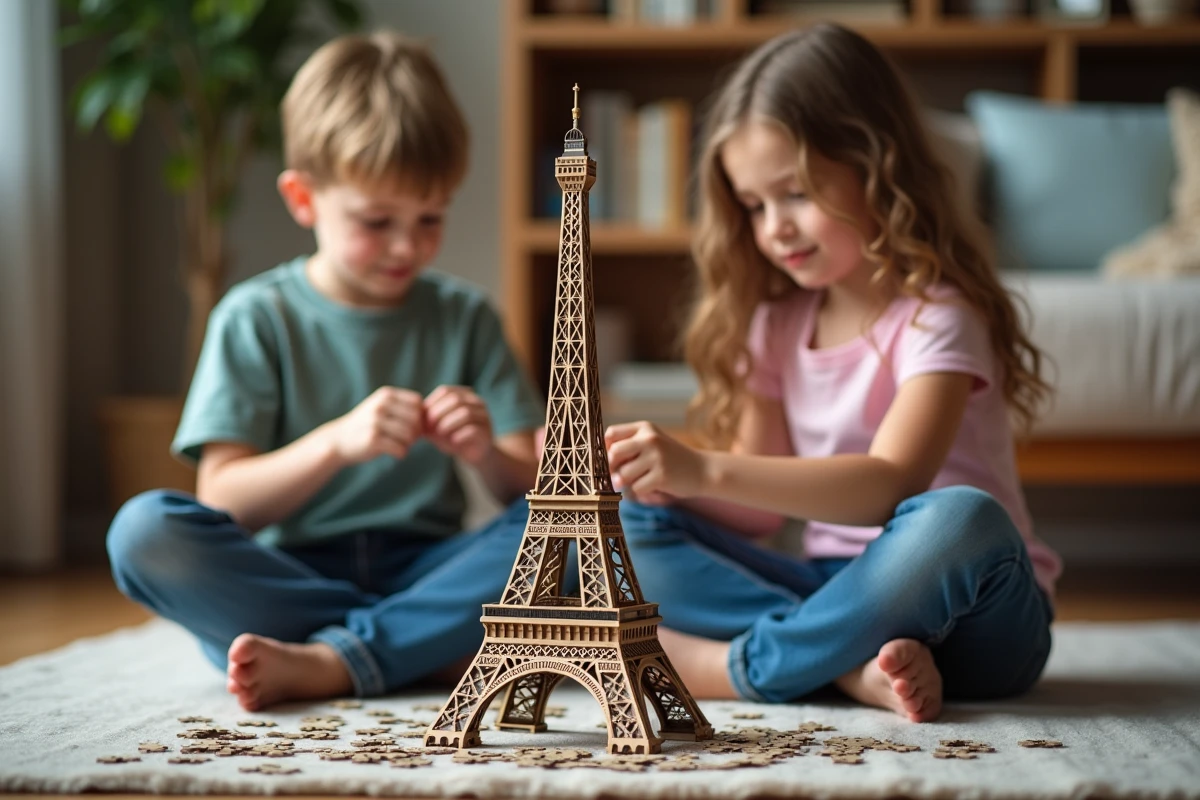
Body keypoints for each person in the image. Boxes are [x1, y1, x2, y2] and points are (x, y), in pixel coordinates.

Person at [605, 23, 1062, 722]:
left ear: (875, 162)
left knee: (963, 518)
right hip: (837, 591)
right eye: (754, 206)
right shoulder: (776, 321)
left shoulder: (938, 316)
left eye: (794, 193)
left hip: (974, 610)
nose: (773, 228)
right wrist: (658, 477)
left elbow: (889, 485)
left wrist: (704, 469)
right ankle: (845, 665)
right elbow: (758, 511)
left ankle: (753, 664)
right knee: (625, 523)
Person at [106, 32, 545, 711]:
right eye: (377, 220)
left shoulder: (467, 316)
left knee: (582, 522)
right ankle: (414, 645)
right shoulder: (255, 316)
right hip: (290, 573)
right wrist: (336, 444)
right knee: (143, 533)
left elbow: (527, 483)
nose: (408, 245)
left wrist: (485, 451)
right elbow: (223, 500)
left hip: (425, 568)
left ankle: (340, 654)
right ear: (303, 199)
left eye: (430, 217)